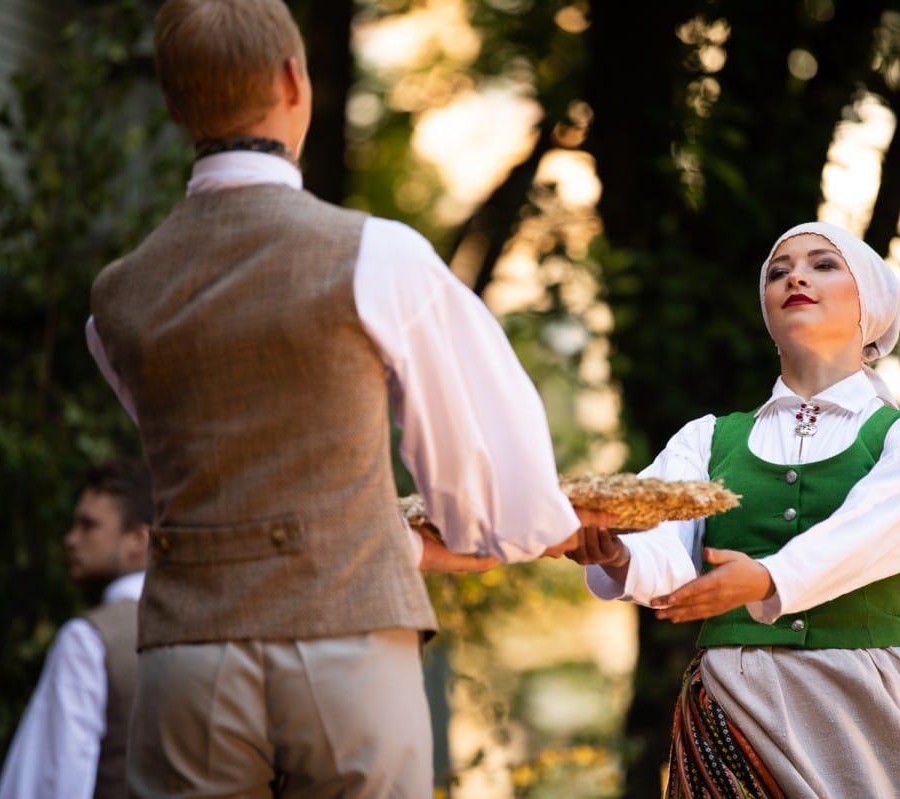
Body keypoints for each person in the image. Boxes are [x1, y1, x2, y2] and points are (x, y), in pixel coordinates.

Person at [84, 0, 611, 796]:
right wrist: (549, 526)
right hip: (348, 636)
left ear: (172, 102)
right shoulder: (379, 256)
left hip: (187, 653)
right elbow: (492, 491)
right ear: (294, 81)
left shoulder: (116, 301)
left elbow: (211, 466)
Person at [567, 221, 900, 798]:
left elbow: (864, 535)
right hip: (736, 698)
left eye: (824, 264)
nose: (796, 275)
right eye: (779, 270)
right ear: (767, 313)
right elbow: (664, 540)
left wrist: (770, 577)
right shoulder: (707, 439)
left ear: (867, 306)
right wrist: (618, 553)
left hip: (867, 703)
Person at [0, 457, 153, 799]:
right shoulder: (203, 631)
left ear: (138, 540)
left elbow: (51, 785)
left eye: (88, 525)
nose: (70, 539)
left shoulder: (88, 641)